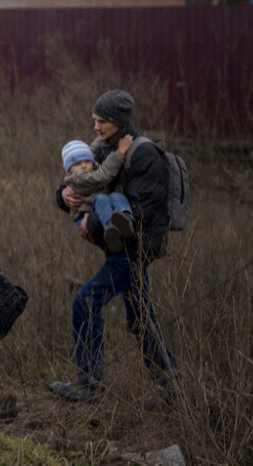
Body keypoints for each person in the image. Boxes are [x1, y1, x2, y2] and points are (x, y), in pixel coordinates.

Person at [51, 89, 176, 402]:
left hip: (134, 249)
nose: (95, 126)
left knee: (86, 301)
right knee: (140, 317)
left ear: (118, 121)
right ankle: (171, 387)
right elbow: (79, 176)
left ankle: (89, 385)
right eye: (94, 120)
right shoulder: (105, 148)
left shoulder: (144, 154)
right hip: (120, 248)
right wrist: (64, 197)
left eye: (101, 121)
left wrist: (90, 224)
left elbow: (145, 212)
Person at [61, 136, 135, 252]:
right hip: (84, 215)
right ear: (69, 170)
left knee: (116, 196)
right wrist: (120, 152)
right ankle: (110, 229)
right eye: (78, 164)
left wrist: (102, 136)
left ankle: (127, 219)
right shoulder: (78, 177)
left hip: (98, 207)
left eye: (87, 161)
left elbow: (92, 149)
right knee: (101, 198)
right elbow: (102, 175)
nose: (84, 165)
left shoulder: (90, 169)